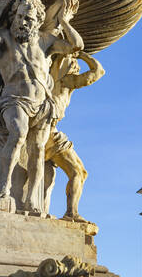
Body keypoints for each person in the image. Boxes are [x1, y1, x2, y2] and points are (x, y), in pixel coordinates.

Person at [0, 0, 83, 213]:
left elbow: (76, 46)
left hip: (42, 104)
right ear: (13, 16)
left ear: (38, 21)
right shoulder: (4, 37)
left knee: (37, 152)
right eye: (21, 16)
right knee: (18, 133)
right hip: (14, 100)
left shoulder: (45, 40)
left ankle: (33, 202)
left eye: (30, 18)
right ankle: (2, 191)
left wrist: (64, 21)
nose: (25, 22)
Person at [44, 51, 105, 222]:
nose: (78, 67)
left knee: (78, 173)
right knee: (78, 172)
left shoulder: (55, 79)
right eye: (74, 64)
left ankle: (71, 211)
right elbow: (98, 71)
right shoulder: (67, 81)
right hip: (49, 133)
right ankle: (71, 213)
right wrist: (84, 55)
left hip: (49, 130)